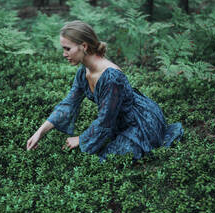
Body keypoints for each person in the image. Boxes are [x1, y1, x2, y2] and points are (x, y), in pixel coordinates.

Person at [26, 20, 183, 161]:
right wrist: (40, 132)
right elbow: (68, 104)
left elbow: (106, 120)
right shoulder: (83, 72)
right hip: (115, 119)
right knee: (103, 152)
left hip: (139, 120)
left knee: (110, 158)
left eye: (67, 49)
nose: (64, 54)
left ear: (84, 46)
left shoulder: (111, 77)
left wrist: (80, 139)